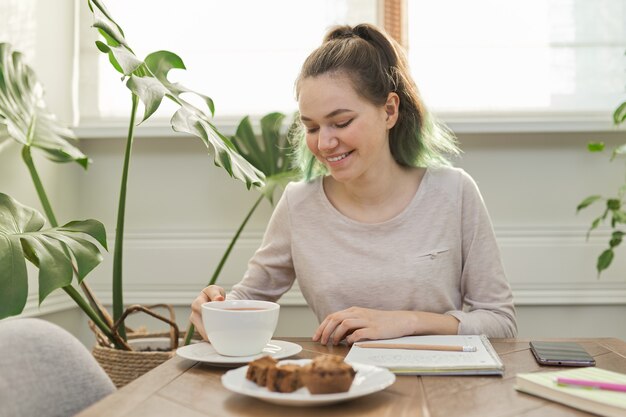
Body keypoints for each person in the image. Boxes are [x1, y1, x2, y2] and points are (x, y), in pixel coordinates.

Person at [190, 23, 517, 345]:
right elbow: (248, 299)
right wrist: (216, 309)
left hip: (435, 389)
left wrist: (404, 321)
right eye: (313, 127)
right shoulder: (298, 205)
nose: (325, 143)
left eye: (341, 122)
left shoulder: (454, 193)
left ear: (389, 111)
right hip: (338, 385)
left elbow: (500, 321)